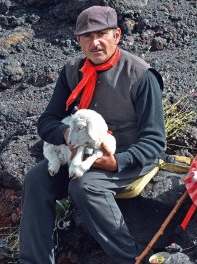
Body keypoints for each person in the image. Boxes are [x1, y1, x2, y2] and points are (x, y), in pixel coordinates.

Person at [19, 5, 166, 264]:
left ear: (117, 35)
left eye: (102, 34)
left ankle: (131, 259)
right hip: (80, 152)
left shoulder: (141, 75)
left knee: (85, 186)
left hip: (127, 156)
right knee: (35, 180)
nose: (95, 42)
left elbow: (154, 140)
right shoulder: (71, 72)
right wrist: (66, 135)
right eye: (87, 36)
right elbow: (47, 121)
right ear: (78, 41)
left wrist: (117, 162)